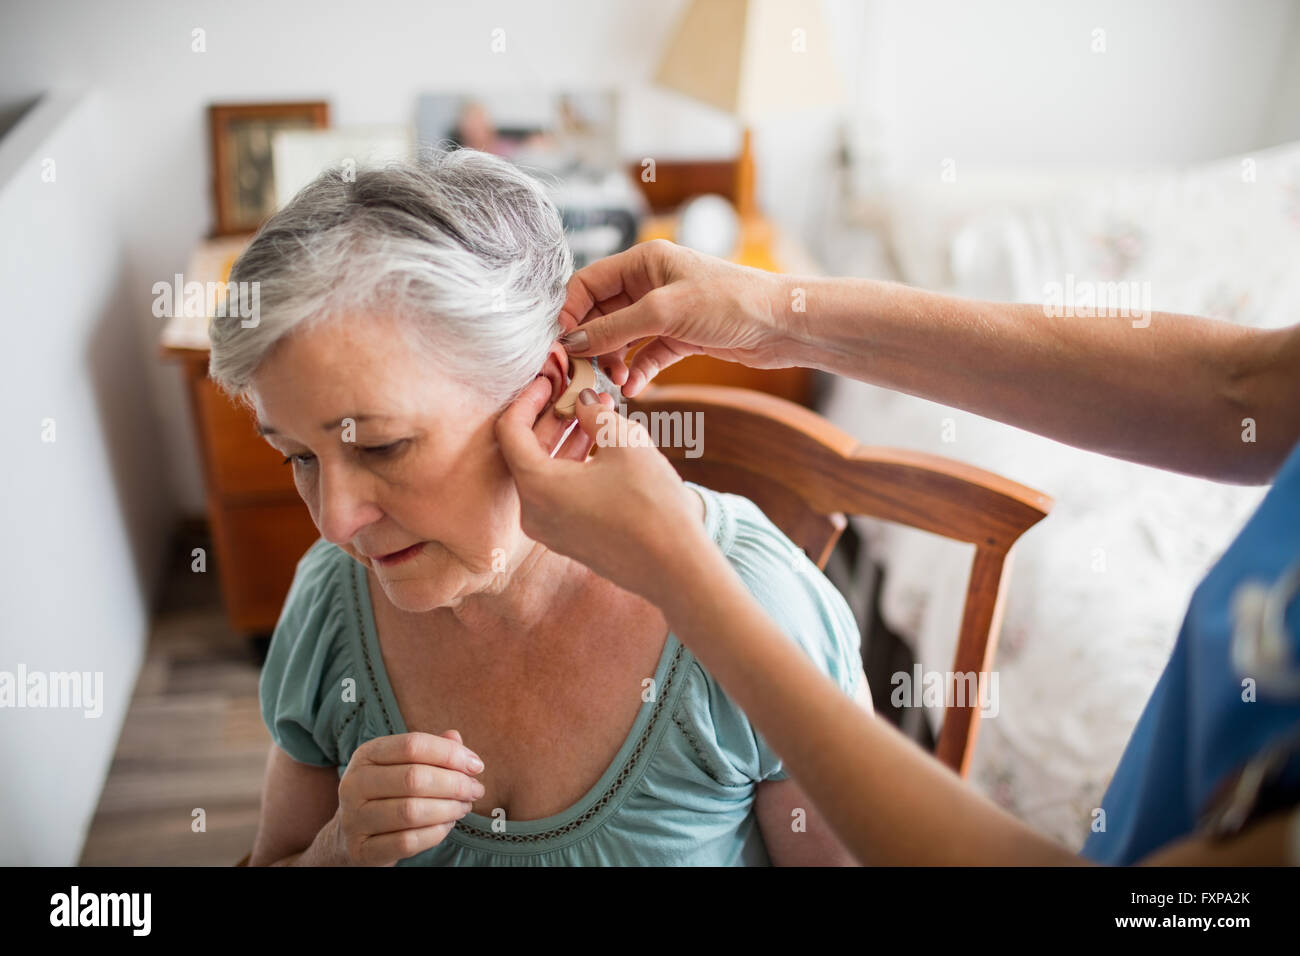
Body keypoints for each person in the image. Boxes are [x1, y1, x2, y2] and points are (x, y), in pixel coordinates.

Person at [494, 238, 1300, 865]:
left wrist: (679, 576)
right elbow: (1241, 389)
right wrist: (779, 310)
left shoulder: (763, 587)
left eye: (390, 446)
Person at [211, 151, 870, 866]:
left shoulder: (762, 612)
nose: (335, 522)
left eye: (382, 446)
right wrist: (332, 853)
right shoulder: (329, 608)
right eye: (299, 457)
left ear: (547, 395)